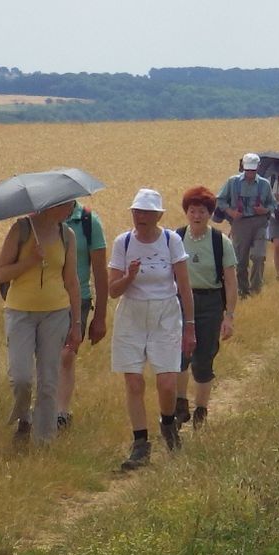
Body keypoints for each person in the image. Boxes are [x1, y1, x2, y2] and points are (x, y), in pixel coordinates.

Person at [108, 188, 195, 471]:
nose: (140, 217)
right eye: (137, 212)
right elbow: (112, 291)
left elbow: (184, 287)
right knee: (134, 382)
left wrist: (190, 327)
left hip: (166, 313)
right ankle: (140, 443)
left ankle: (167, 423)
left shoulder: (171, 241)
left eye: (146, 212)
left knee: (167, 382)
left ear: (158, 215)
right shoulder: (122, 243)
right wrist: (129, 277)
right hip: (131, 315)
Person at [0, 200, 82, 446]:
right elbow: (0, 274)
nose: (71, 210)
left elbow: (72, 281)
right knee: (21, 378)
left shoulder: (67, 235)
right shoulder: (20, 230)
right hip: (20, 313)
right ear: (52, 205)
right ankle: (24, 419)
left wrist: (77, 324)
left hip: (56, 313)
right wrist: (30, 261)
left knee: (48, 381)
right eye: (68, 205)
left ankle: (45, 442)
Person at [174, 186, 238, 430]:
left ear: (210, 213)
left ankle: (201, 410)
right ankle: (181, 405)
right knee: (179, 356)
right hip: (180, 301)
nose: (196, 215)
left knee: (204, 359)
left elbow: (231, 281)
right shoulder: (176, 238)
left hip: (210, 303)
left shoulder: (220, 242)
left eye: (202, 211)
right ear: (186, 212)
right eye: (192, 210)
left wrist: (228, 316)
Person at [56, 201, 109, 430]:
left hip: (79, 299)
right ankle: (45, 410)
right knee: (48, 357)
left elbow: (100, 273)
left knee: (66, 355)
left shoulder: (89, 222)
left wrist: (100, 317)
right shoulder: (40, 220)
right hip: (45, 300)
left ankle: (60, 414)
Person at [216, 152, 275, 297]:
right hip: (240, 224)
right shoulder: (232, 182)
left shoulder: (264, 184)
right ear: (243, 167)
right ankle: (243, 290)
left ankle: (256, 289)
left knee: (259, 256)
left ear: (258, 168)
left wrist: (265, 210)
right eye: (248, 170)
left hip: (259, 222)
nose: (250, 173)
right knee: (241, 261)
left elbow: (273, 204)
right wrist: (231, 212)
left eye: (253, 170)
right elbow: (220, 200)